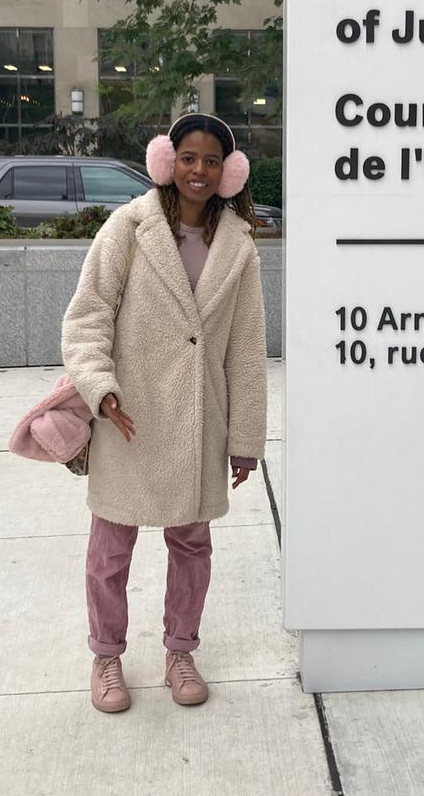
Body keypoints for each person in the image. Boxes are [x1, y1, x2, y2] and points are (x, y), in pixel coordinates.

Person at [61, 112, 268, 714]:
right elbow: (88, 314)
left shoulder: (239, 246)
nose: (198, 170)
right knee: (109, 550)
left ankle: (180, 650)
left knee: (192, 546)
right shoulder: (129, 227)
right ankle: (106, 657)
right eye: (188, 158)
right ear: (165, 162)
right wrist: (99, 386)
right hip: (130, 412)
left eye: (210, 161)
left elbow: (247, 349)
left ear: (229, 171)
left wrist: (247, 437)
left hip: (200, 418)